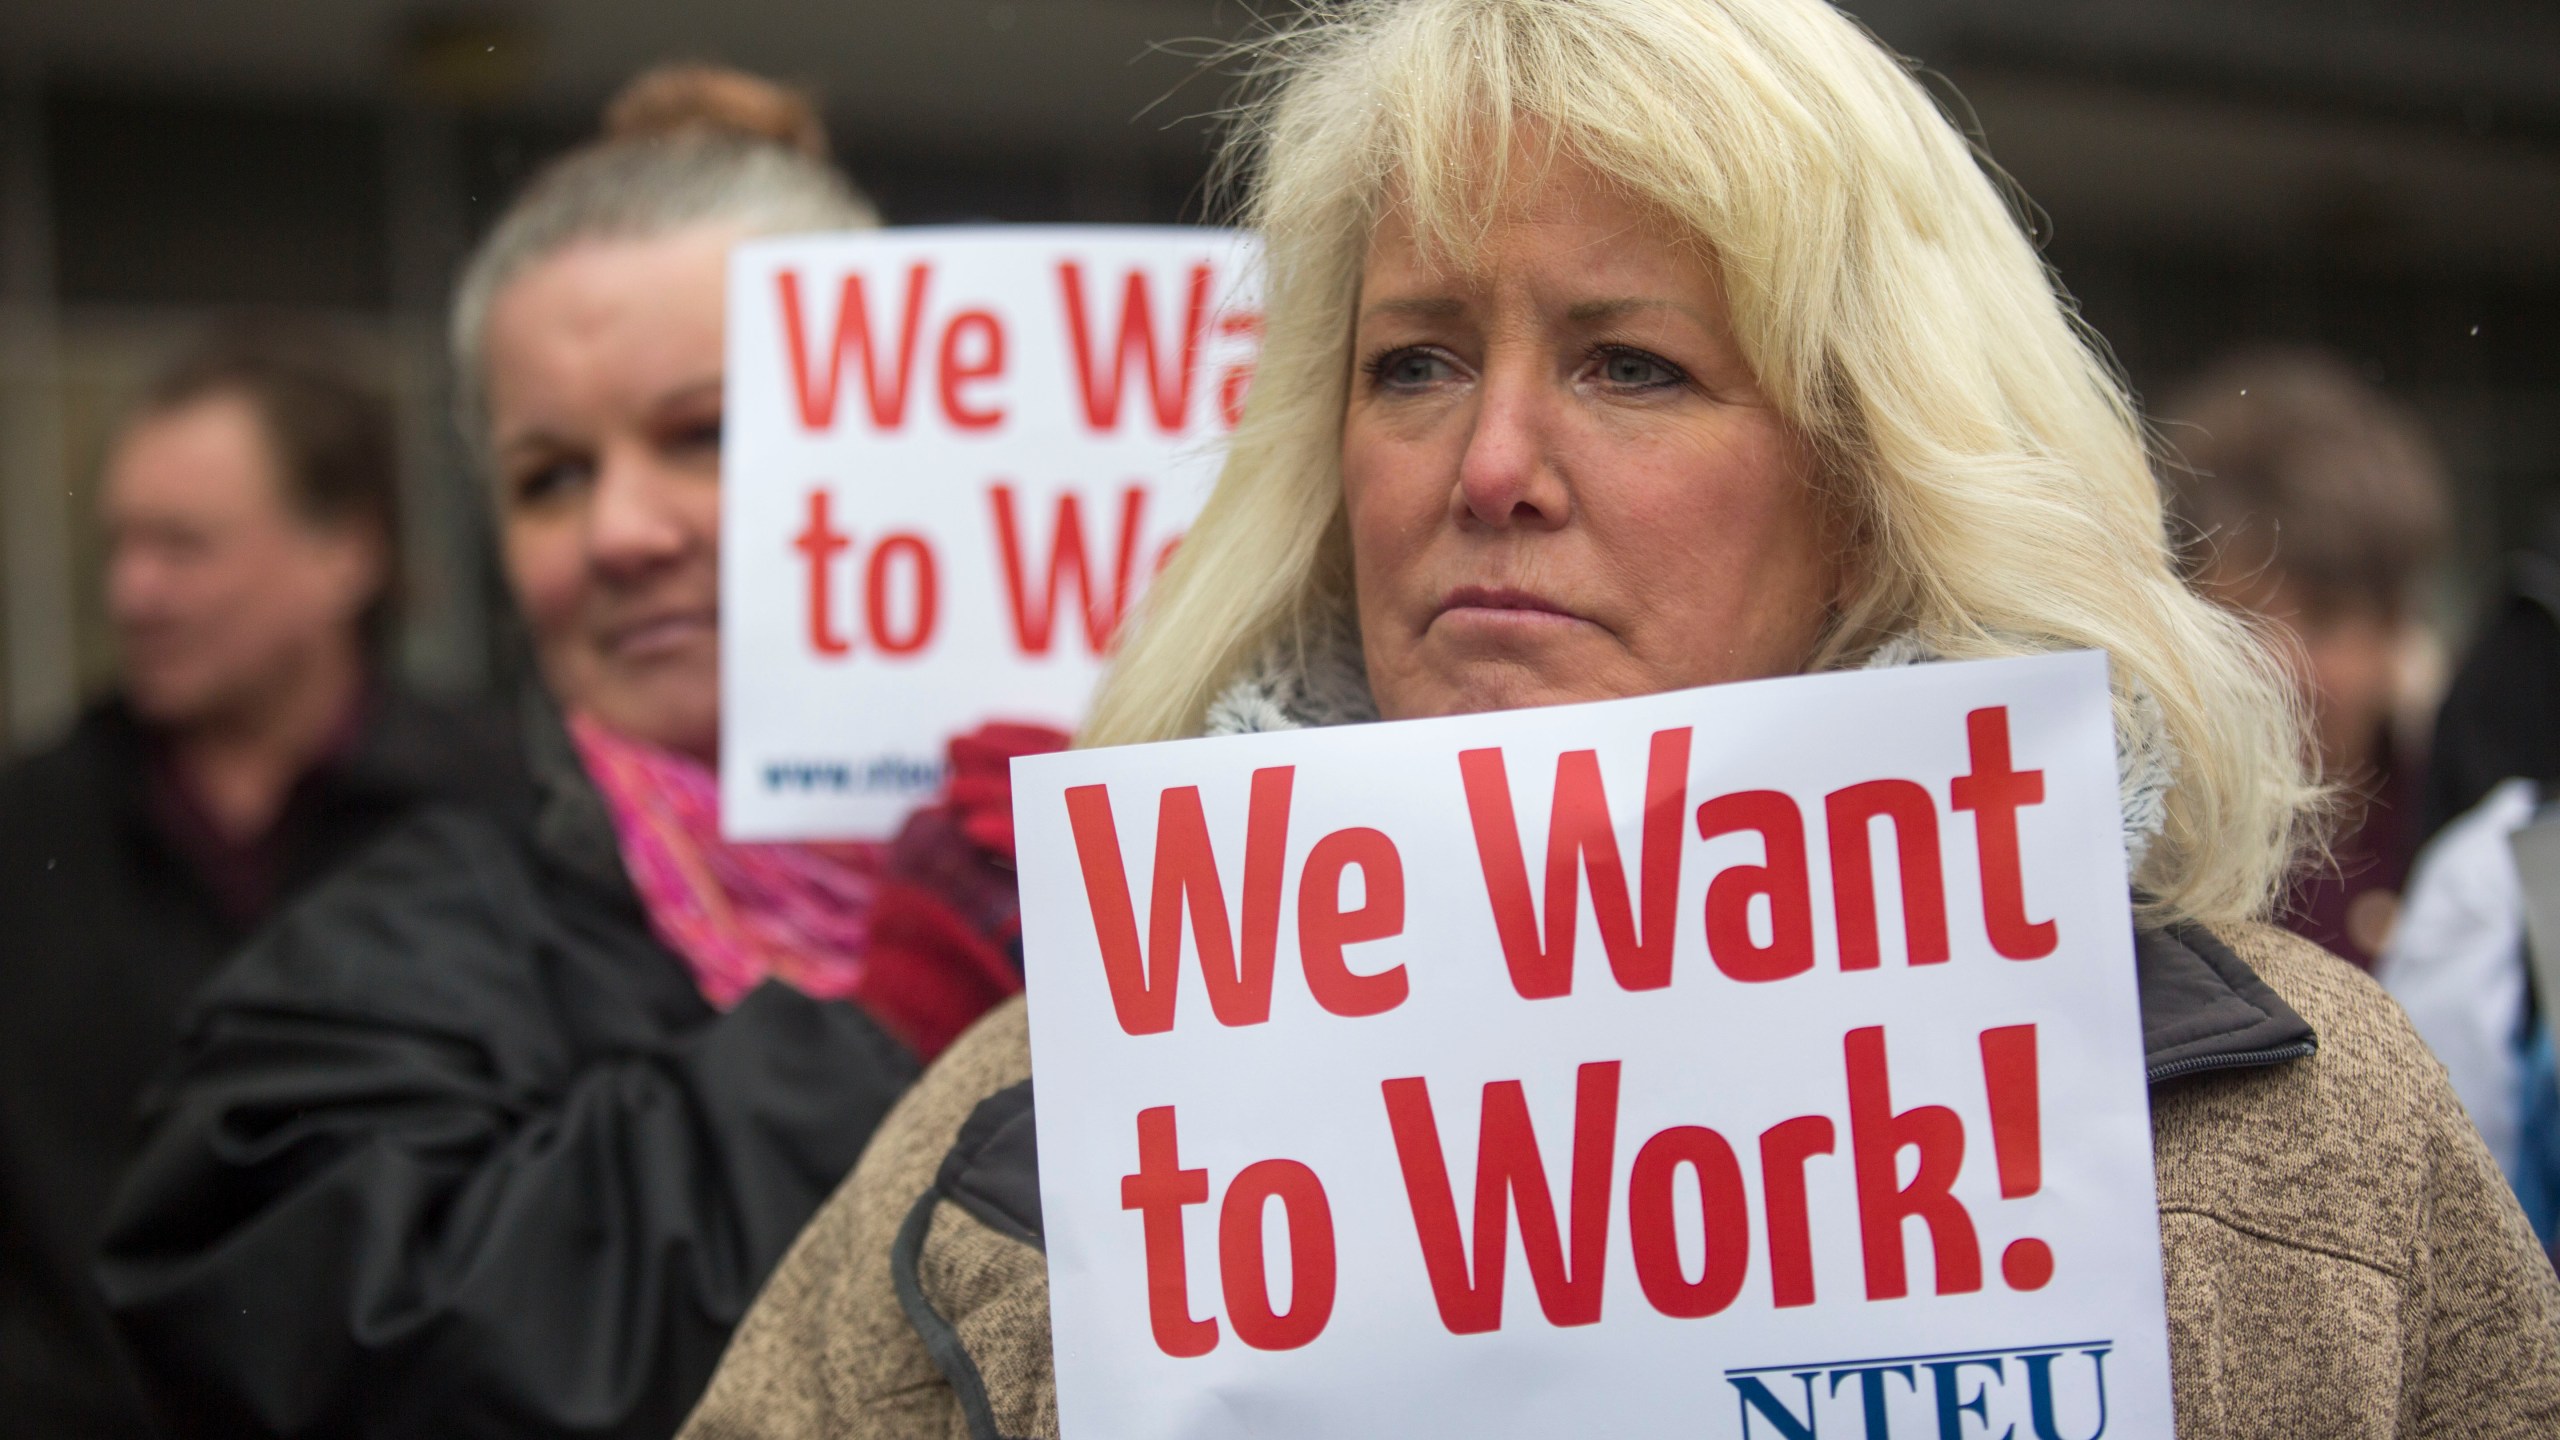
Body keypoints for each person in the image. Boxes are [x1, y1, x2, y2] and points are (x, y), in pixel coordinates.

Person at [673, 3, 2560, 1437]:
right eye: (1414, 360)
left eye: (1630, 365)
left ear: (1871, 479)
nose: (1487, 464)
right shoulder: (1023, 1121)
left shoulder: (2303, 1108)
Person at [95, 68, 1034, 1439]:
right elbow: (380, 1357)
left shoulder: (1148, 854)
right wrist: (881, 1028)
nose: (620, 535)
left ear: (892, 442)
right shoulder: (386, 958)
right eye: (550, 475)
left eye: (703, 435)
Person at [0, 320, 524, 1438]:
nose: (135, 591)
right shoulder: (31, 828)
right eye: (120, 547)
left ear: (347, 552)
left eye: (183, 545)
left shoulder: (503, 819)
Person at [2154, 349, 2451, 969]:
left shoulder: (2466, 835)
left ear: (2394, 626)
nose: (2280, 667)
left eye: (2323, 619)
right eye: (2240, 623)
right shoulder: (2143, 865)